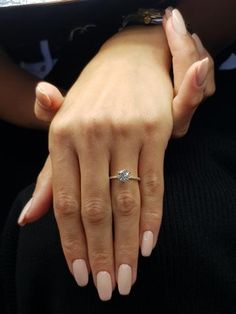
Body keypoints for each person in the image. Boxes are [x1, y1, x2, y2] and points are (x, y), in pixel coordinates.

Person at [1, 0, 236, 313]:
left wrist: (142, 46)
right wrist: (73, 109)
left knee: (167, 231)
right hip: (27, 101)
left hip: (186, 48)